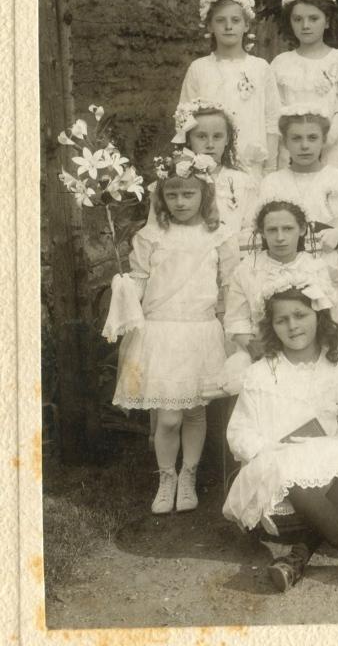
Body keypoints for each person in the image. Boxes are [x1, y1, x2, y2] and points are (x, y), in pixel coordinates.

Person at [221, 274, 338, 590]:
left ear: (319, 316)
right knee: (290, 469)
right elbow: (240, 432)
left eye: (301, 315)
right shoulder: (260, 374)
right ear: (271, 327)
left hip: (331, 469)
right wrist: (274, 451)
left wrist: (337, 444)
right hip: (281, 476)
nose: (293, 326)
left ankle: (299, 556)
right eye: (282, 320)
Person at [104, 149, 239, 514]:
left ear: (204, 195)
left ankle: (189, 476)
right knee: (168, 416)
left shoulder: (219, 236)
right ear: (161, 197)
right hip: (161, 332)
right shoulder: (150, 236)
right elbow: (141, 282)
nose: (180, 202)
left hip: (200, 330)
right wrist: (125, 286)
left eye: (189, 194)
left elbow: (228, 285)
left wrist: (229, 328)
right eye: (172, 194)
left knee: (195, 412)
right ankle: (166, 476)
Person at [258, 106, 338, 329]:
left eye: (312, 138)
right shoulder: (272, 182)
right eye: (296, 138)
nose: (305, 145)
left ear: (324, 140)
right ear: (285, 142)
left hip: (336, 276)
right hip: (287, 280)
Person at [223, 198, 338, 380]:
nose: (280, 237)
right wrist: (260, 349)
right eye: (272, 230)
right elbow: (236, 321)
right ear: (262, 232)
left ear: (301, 229)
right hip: (260, 349)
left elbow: (325, 316)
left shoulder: (315, 267)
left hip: (306, 348)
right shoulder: (246, 270)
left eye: (287, 229)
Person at [179, 0, 279, 177]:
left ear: (246, 25)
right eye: (220, 21)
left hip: (252, 164)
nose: (228, 26)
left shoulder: (260, 68)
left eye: (235, 20)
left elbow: (272, 121)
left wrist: (270, 168)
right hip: (209, 165)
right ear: (209, 26)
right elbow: (185, 121)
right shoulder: (199, 68)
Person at [271, 0, 338, 171]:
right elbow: (277, 108)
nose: (305, 25)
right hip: (293, 147)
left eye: (313, 18)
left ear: (327, 21)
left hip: (336, 147)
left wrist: (325, 141)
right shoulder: (280, 63)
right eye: (298, 19)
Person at [163, 101, 258, 237]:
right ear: (188, 139)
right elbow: (159, 227)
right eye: (201, 136)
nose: (210, 144)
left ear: (227, 140)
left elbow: (251, 228)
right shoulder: (175, 177)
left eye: (217, 136)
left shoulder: (243, 181)